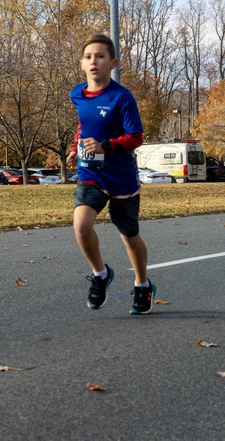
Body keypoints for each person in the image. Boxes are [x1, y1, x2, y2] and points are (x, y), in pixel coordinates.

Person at [65, 34, 155, 315]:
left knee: (128, 236)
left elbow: (136, 136)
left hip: (121, 176)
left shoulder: (121, 97)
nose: (94, 61)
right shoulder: (77, 94)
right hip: (91, 172)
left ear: (113, 62)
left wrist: (106, 146)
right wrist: (75, 147)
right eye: (89, 56)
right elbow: (83, 126)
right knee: (81, 224)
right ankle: (100, 274)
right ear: (82, 63)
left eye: (101, 56)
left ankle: (142, 285)